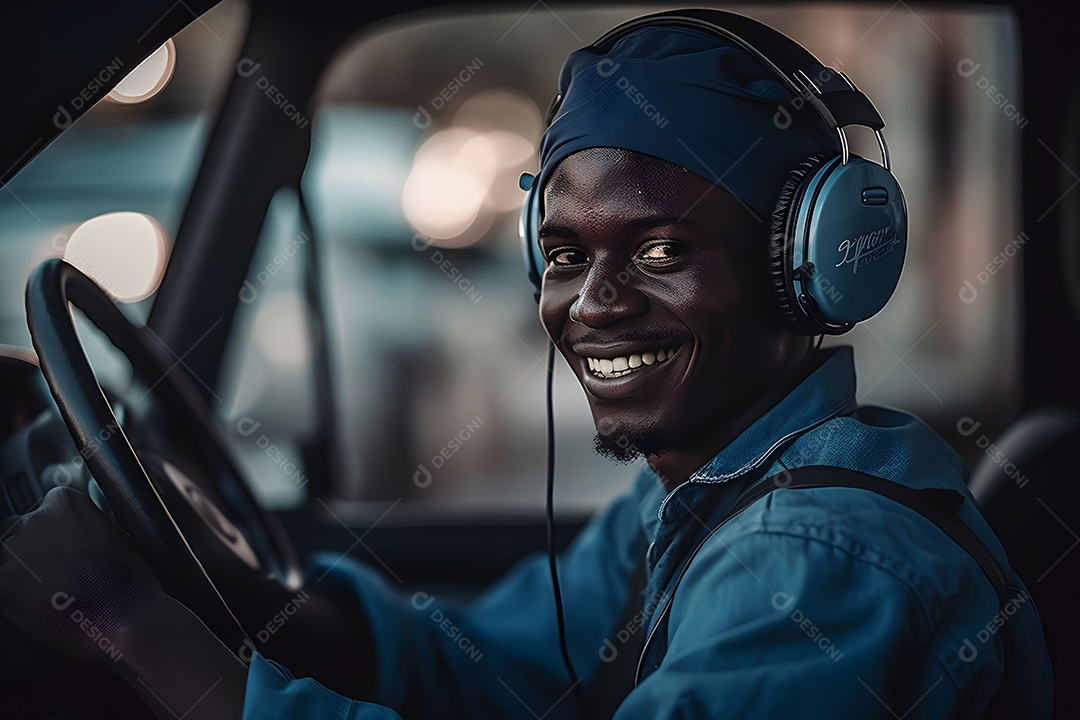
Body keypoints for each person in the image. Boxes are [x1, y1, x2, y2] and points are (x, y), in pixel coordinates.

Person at [0, 9, 1053, 719]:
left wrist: (123, 622)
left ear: (811, 270)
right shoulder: (695, 502)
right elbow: (473, 668)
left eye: (659, 252)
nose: (592, 305)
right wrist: (209, 574)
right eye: (562, 255)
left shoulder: (815, 562)